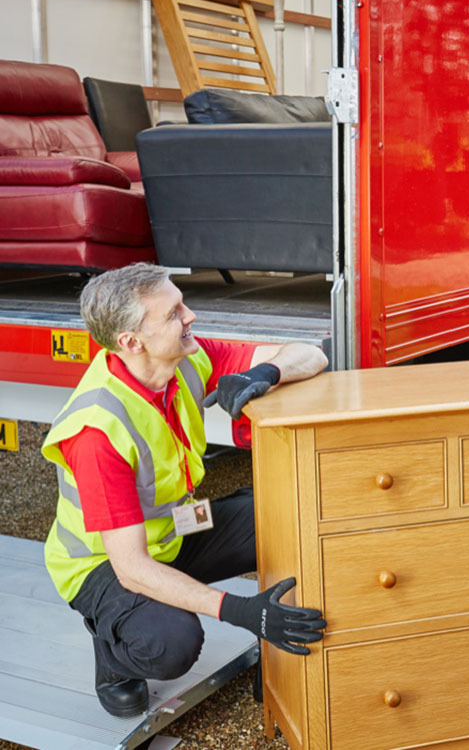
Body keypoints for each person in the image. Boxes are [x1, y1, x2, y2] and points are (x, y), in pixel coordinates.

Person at [42, 262, 329, 717]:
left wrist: (266, 373)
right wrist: (240, 610)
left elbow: (313, 354)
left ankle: (283, 650)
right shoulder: (97, 432)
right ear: (132, 342)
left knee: (285, 512)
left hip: (170, 531)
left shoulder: (185, 358)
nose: (190, 315)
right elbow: (133, 568)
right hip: (103, 564)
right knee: (172, 643)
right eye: (174, 312)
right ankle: (112, 653)